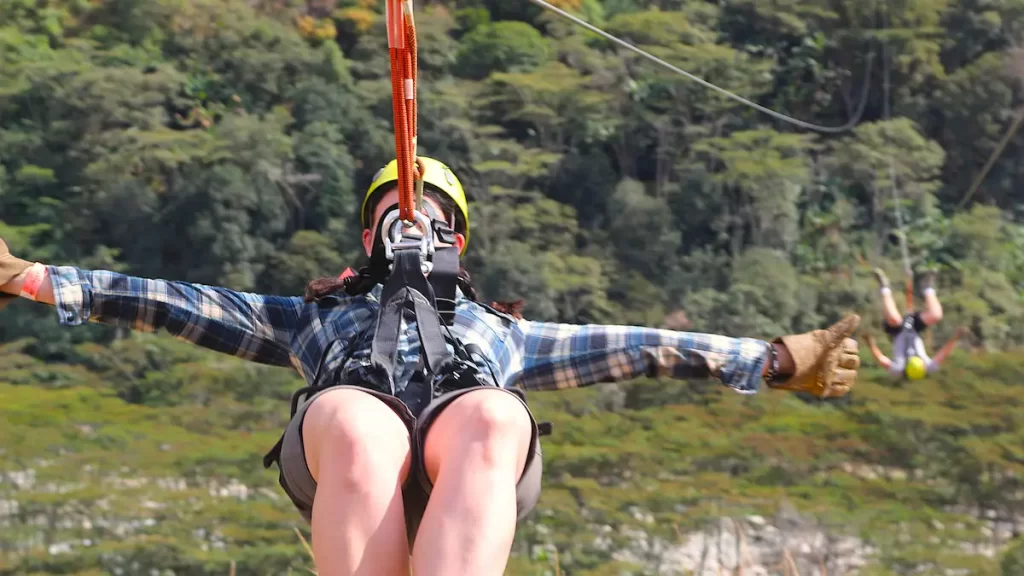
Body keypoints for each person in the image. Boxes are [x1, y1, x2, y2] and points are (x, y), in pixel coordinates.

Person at [0, 156, 862, 576]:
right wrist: (34, 280)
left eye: (433, 219)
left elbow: (641, 344)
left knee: (494, 413)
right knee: (354, 419)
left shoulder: (503, 331)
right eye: (394, 216)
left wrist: (774, 359)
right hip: (347, 445)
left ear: (459, 241)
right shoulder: (315, 318)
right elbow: (177, 301)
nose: (414, 229)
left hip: (471, 452)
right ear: (366, 236)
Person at [866, 268, 963, 380]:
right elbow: (943, 354)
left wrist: (871, 344)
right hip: (915, 329)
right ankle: (927, 288)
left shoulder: (897, 369)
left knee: (894, 319)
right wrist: (955, 339)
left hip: (897, 332)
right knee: (936, 315)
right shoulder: (928, 367)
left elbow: (881, 359)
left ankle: (884, 287)